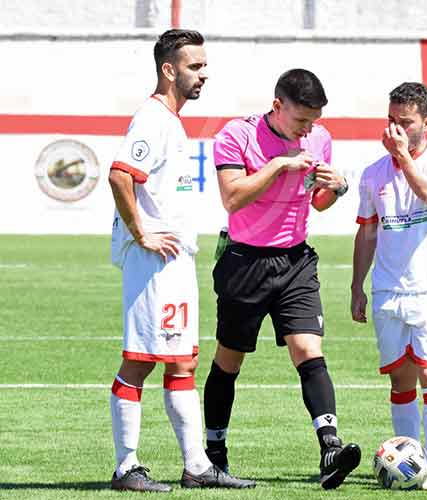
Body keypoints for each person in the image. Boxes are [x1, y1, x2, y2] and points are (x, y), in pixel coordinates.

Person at [107, 30, 255, 492]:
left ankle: (196, 465)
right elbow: (119, 175)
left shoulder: (171, 121)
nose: (203, 74)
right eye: (195, 66)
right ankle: (126, 466)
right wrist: (142, 233)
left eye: (204, 66)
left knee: (181, 363)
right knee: (141, 361)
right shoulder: (152, 118)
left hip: (175, 261)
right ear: (169, 70)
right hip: (156, 262)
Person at [202, 68, 360, 490]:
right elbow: (232, 197)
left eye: (314, 121)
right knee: (228, 361)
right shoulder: (238, 136)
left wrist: (338, 187)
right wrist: (277, 165)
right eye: (301, 120)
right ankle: (214, 455)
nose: (309, 130)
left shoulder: (319, 138)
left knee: (308, 349)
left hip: (295, 261)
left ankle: (330, 448)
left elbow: (319, 201)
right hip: (245, 261)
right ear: (277, 107)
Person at [350, 82, 427, 491]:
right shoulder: (372, 174)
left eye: (406, 122)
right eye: (391, 120)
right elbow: (366, 233)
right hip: (387, 291)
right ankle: (409, 464)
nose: (395, 129)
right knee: (400, 380)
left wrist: (402, 158)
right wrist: (356, 286)